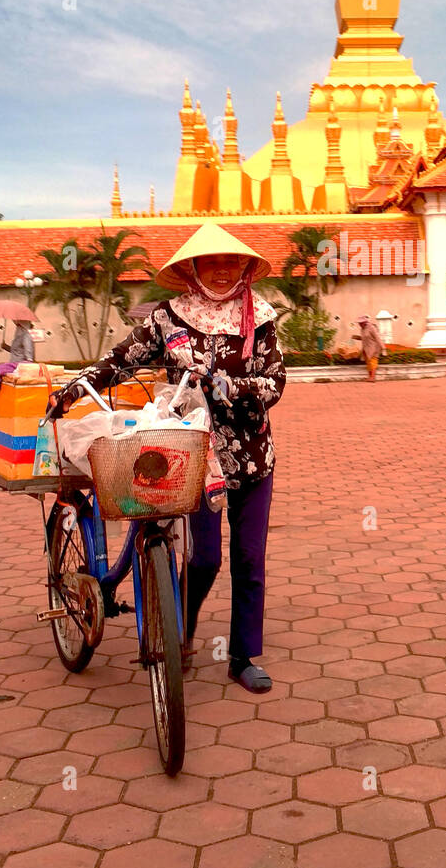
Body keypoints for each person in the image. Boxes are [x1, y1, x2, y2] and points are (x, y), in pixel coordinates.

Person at [50, 223, 285, 693]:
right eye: (210, 262)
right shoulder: (168, 318)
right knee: (204, 559)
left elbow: (274, 382)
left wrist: (228, 385)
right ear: (192, 268)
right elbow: (123, 358)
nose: (221, 270)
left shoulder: (259, 317)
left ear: (243, 268)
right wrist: (81, 384)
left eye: (230, 262)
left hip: (252, 455)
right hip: (190, 455)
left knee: (249, 557)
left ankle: (242, 657)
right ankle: (185, 629)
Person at [0, 318, 35, 392]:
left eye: (18, 325)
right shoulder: (17, 338)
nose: (17, 327)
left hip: (19, 366)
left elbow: (29, 356)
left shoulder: (26, 336)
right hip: (12, 363)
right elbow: (14, 351)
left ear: (22, 326)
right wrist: (5, 346)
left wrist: (24, 368)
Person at [352, 314, 386, 381]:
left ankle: (373, 377)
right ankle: (370, 377)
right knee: (368, 363)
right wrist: (357, 337)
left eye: (361, 323)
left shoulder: (371, 328)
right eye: (359, 323)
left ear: (365, 322)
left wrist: (383, 348)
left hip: (374, 348)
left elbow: (377, 338)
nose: (359, 324)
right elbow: (365, 338)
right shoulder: (362, 329)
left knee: (373, 362)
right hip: (366, 348)